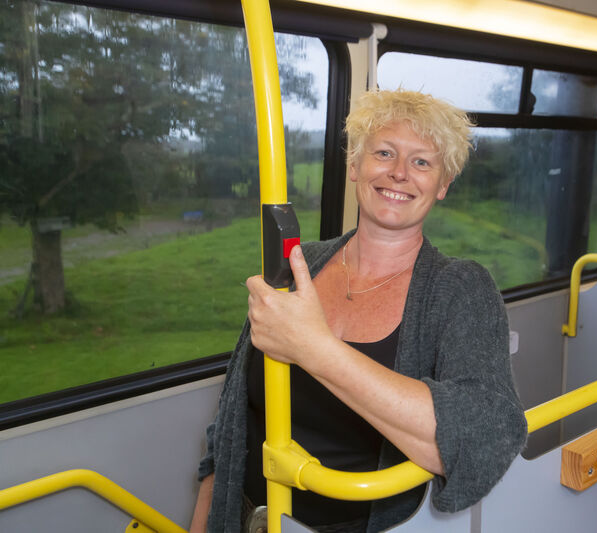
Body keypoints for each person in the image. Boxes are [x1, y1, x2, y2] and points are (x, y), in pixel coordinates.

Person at [190, 89, 527, 533]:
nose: (400, 173)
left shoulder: (461, 288)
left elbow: (484, 436)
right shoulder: (299, 264)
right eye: (384, 153)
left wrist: (316, 350)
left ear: (442, 185)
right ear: (355, 166)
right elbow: (234, 420)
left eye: (422, 162)